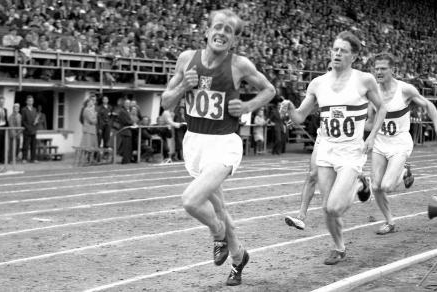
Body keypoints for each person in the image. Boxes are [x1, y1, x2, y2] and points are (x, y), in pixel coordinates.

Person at [160, 9, 275, 286]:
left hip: (224, 144)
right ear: (208, 30)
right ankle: (238, 258)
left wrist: (247, 106)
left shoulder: (239, 65)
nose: (222, 33)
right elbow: (165, 101)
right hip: (196, 143)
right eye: (218, 27)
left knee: (190, 200)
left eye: (229, 31)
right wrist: (180, 89)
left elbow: (269, 89)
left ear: (234, 40)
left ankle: (217, 234)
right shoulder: (187, 59)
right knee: (221, 208)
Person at [280, 31, 387, 265]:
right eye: (335, 49)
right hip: (327, 150)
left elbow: (382, 108)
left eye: (344, 51)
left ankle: (361, 182)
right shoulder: (318, 83)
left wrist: (372, 137)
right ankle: (339, 248)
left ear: (354, 56)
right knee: (327, 209)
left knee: (334, 206)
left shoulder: (364, 80)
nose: (337, 53)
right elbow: (299, 117)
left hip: (351, 152)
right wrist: (288, 108)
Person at [369, 53, 437, 235]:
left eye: (383, 68)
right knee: (375, 187)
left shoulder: (405, 89)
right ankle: (389, 222)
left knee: (387, 187)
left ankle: (405, 171)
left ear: (393, 70)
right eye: (376, 68)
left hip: (399, 142)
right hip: (380, 142)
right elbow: (370, 121)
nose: (379, 72)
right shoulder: (373, 91)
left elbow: (428, 105)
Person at [21, 95, 38, 163]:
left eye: (32, 101)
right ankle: (24, 158)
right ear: (26, 102)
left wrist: (36, 122)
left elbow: (36, 119)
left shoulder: (34, 109)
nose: (31, 102)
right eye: (29, 101)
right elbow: (23, 121)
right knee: (26, 145)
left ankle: (33, 158)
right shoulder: (24, 109)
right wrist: (28, 128)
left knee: (33, 145)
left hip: (34, 130)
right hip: (27, 130)